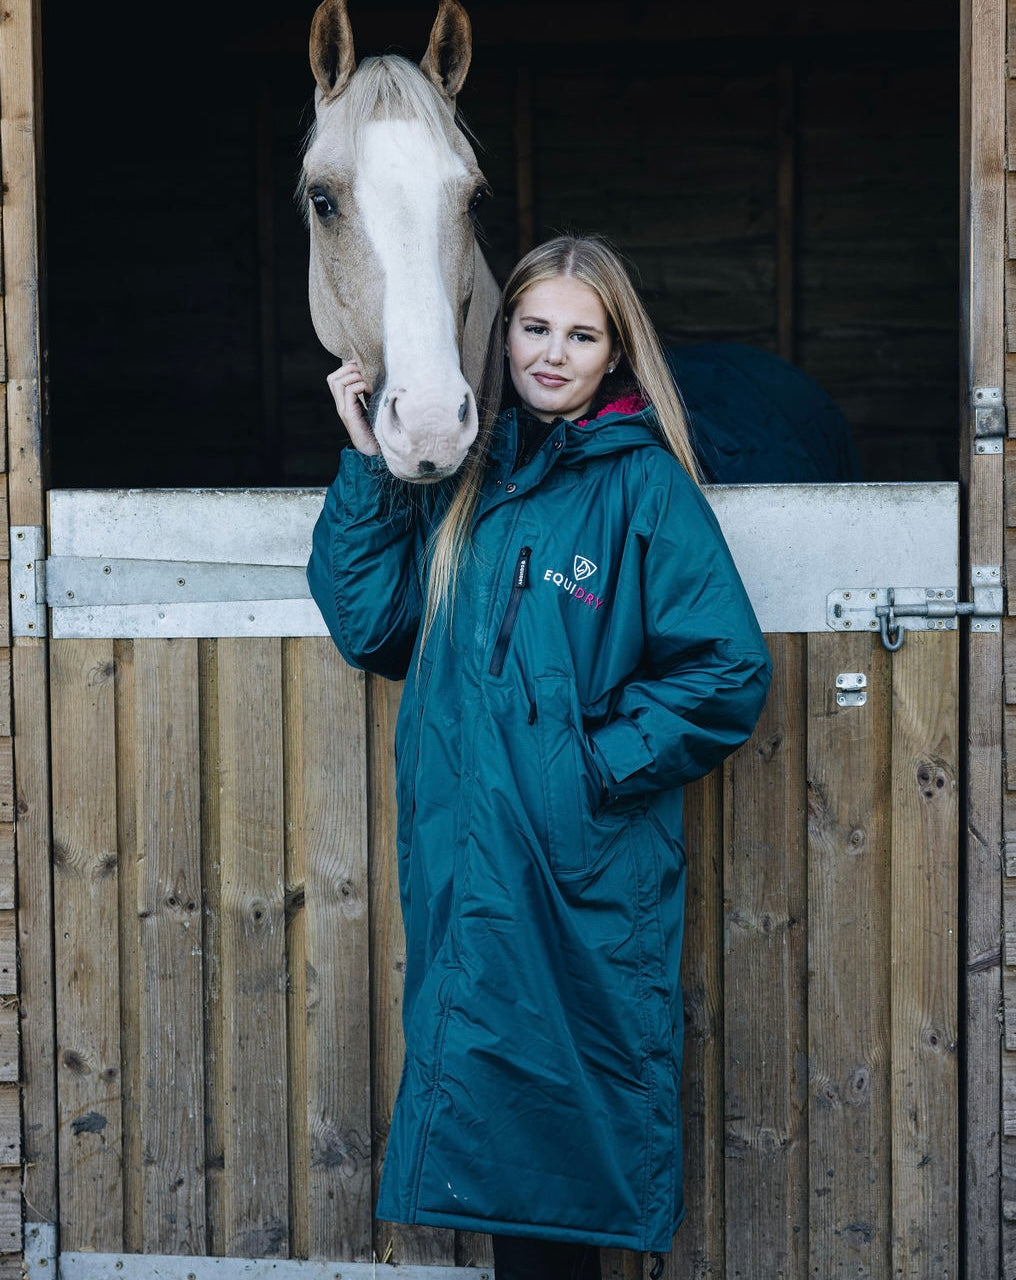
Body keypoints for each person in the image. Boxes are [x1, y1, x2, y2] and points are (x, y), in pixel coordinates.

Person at [307, 235, 772, 1280]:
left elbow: (726, 668)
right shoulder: (460, 474)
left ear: (615, 353)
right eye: (533, 327)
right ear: (500, 333)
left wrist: (586, 767)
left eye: (580, 333)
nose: (551, 353)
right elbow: (371, 626)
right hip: (470, 866)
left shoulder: (641, 486)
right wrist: (371, 465)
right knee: (493, 1131)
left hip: (575, 868)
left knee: (558, 1149)